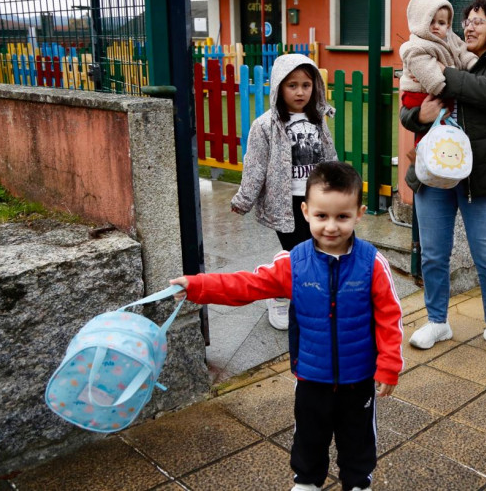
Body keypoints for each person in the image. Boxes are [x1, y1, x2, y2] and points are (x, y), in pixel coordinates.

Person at [170, 162, 403, 491]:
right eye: (322, 216)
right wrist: (197, 286)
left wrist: (389, 364)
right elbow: (247, 285)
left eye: (342, 216)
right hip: (311, 376)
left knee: (359, 439)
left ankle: (358, 483)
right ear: (306, 211)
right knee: (309, 435)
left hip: (359, 378)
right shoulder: (293, 263)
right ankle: (307, 482)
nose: (331, 227)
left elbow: (389, 315)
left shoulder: (372, 263)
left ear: (359, 213)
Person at [400, 0, 486, 357]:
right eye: (467, 21)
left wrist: (443, 77)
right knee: (432, 254)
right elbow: (408, 109)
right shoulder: (442, 51)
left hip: (483, 174)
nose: (469, 26)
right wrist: (420, 117)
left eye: (479, 21)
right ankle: (437, 322)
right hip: (433, 170)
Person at [230, 53, 337, 330]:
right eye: (292, 85)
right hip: (286, 202)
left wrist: (338, 187)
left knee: (322, 249)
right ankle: (278, 294)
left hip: (317, 200)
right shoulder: (265, 125)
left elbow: (329, 155)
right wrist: (244, 199)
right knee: (295, 253)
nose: (300, 92)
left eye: (306, 84)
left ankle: (314, 297)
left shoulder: (317, 119)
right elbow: (254, 165)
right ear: (278, 86)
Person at [398, 0, 477, 143]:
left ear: (448, 25)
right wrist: (440, 86)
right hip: (420, 94)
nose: (435, 27)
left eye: (441, 23)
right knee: (433, 133)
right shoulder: (416, 46)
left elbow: (463, 52)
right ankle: (428, 150)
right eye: (430, 22)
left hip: (439, 92)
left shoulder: (452, 39)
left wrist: (473, 63)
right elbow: (426, 71)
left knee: (444, 125)